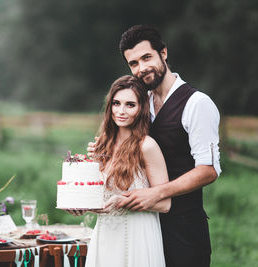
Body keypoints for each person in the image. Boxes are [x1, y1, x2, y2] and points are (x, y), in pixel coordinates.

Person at [88, 25, 221, 267]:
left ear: (164, 53)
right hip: (143, 224)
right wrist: (105, 153)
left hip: (183, 227)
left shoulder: (197, 103)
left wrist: (156, 193)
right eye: (133, 63)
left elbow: (208, 170)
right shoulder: (139, 101)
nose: (141, 68)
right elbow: (130, 147)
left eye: (146, 57)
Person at [82, 75, 171, 267]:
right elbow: (100, 193)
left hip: (137, 236)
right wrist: (80, 204)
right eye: (116, 103)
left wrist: (125, 201)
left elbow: (164, 204)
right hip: (105, 235)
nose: (121, 111)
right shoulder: (102, 144)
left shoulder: (146, 146)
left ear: (141, 109)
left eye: (130, 105)